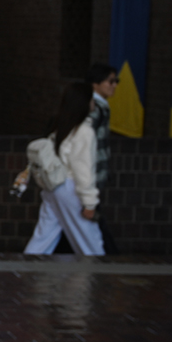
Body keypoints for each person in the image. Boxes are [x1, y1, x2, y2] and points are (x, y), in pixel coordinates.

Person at [24, 82, 104, 256]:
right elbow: (83, 169)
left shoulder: (61, 126)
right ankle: (97, 277)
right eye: (91, 99)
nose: (93, 103)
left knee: (43, 238)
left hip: (53, 186)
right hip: (70, 188)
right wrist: (89, 203)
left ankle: (26, 268)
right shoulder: (84, 131)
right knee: (90, 243)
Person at [85, 63, 117, 254]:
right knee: (92, 217)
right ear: (95, 83)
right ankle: (109, 254)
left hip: (93, 174)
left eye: (116, 81)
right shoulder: (95, 108)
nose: (114, 85)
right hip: (91, 174)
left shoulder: (100, 107)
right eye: (110, 81)